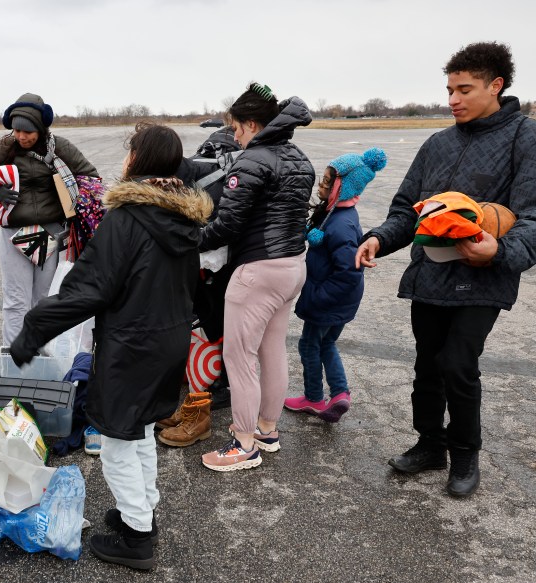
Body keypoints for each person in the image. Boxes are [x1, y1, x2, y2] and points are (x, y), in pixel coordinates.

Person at [11, 122, 211, 570]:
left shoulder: (128, 218)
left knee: (119, 441)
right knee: (139, 431)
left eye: (130, 151)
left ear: (140, 160)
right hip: (168, 343)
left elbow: (87, 288)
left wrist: (32, 332)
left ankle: (137, 536)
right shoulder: (184, 216)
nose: (124, 159)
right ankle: (140, 512)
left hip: (132, 346)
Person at [356, 42, 536, 498]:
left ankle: (465, 455)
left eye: (464, 89)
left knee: (458, 364)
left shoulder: (524, 138)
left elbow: (532, 218)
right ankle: (430, 444)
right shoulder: (437, 143)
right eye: (449, 89)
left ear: (496, 86)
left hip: (483, 276)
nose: (452, 99)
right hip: (431, 274)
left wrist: (499, 251)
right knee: (427, 365)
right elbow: (406, 209)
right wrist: (379, 237)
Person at [196, 83, 314, 473]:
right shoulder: (299, 158)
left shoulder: (252, 160)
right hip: (293, 267)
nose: (233, 136)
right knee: (272, 350)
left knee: (239, 357)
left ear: (251, 124)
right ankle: (266, 429)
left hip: (258, 270)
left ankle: (243, 443)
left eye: (235, 128)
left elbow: (227, 224)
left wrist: (189, 242)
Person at [0, 93, 99, 347]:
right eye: (17, 130)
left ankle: (42, 354)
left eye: (28, 131)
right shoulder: (3, 147)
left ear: (41, 128)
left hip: (51, 233)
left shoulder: (59, 147)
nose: (21, 137)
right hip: (15, 233)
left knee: (44, 299)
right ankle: (14, 356)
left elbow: (91, 178)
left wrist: (72, 193)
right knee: (16, 301)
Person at [156, 127, 243, 448]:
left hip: (203, 261)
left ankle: (206, 395)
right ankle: (214, 388)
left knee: (203, 327)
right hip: (227, 262)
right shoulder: (234, 167)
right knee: (216, 326)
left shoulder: (194, 166)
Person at [285, 148, 386, 423]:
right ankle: (340, 394)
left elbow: (349, 272)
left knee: (309, 345)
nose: (321, 185)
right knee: (327, 343)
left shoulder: (340, 225)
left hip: (328, 300)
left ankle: (314, 398)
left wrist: (317, 296)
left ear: (343, 187)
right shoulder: (335, 214)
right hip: (339, 301)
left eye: (328, 182)